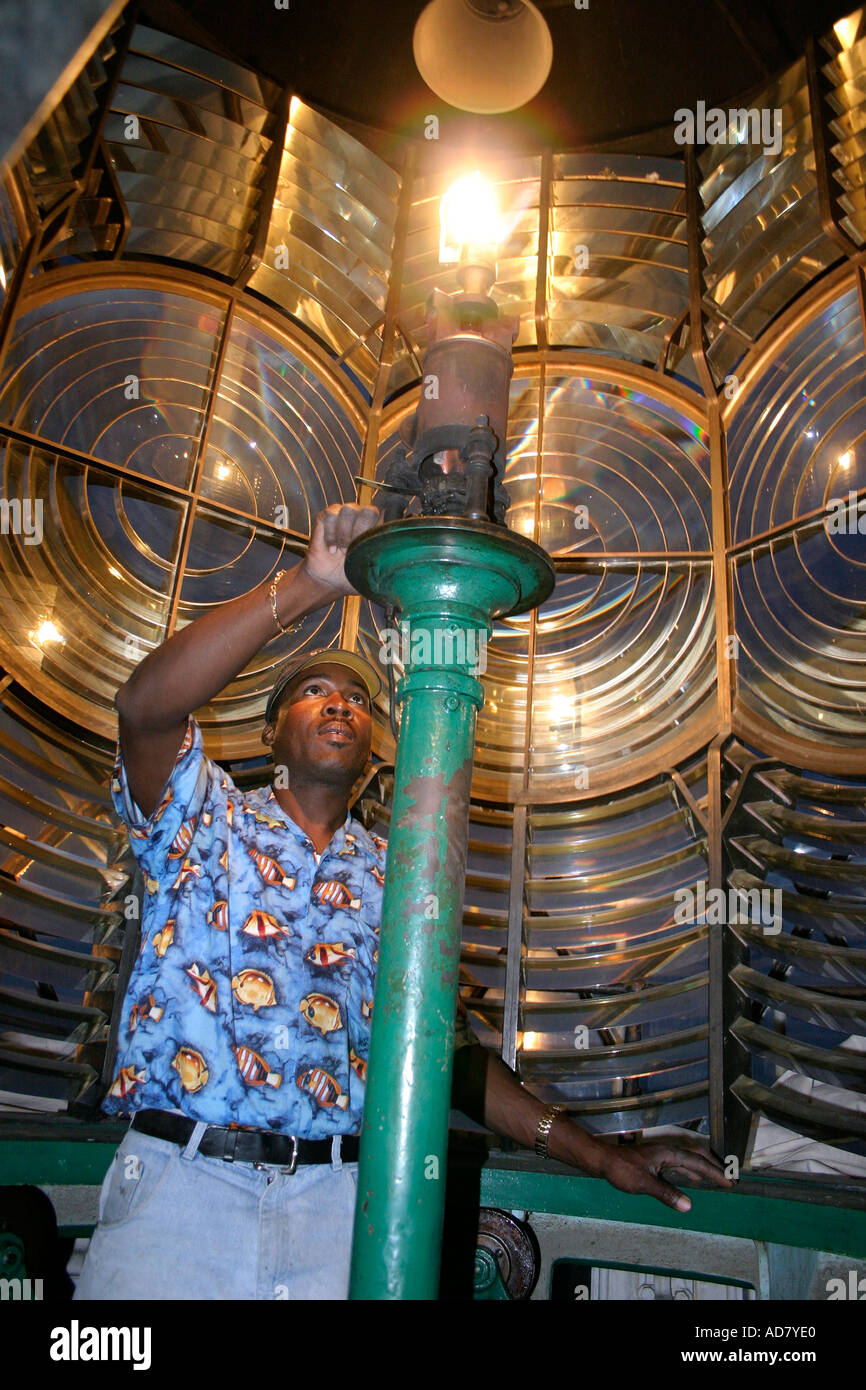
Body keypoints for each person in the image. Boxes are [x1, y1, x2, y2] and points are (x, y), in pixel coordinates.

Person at [74, 501, 730, 1301]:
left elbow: (442, 1056)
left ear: (376, 743)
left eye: (356, 698)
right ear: (273, 735)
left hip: (338, 1207)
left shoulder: (401, 874)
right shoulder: (201, 819)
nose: (340, 703)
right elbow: (145, 708)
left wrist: (598, 1154)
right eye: (313, 692)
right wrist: (312, 582)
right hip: (181, 1197)